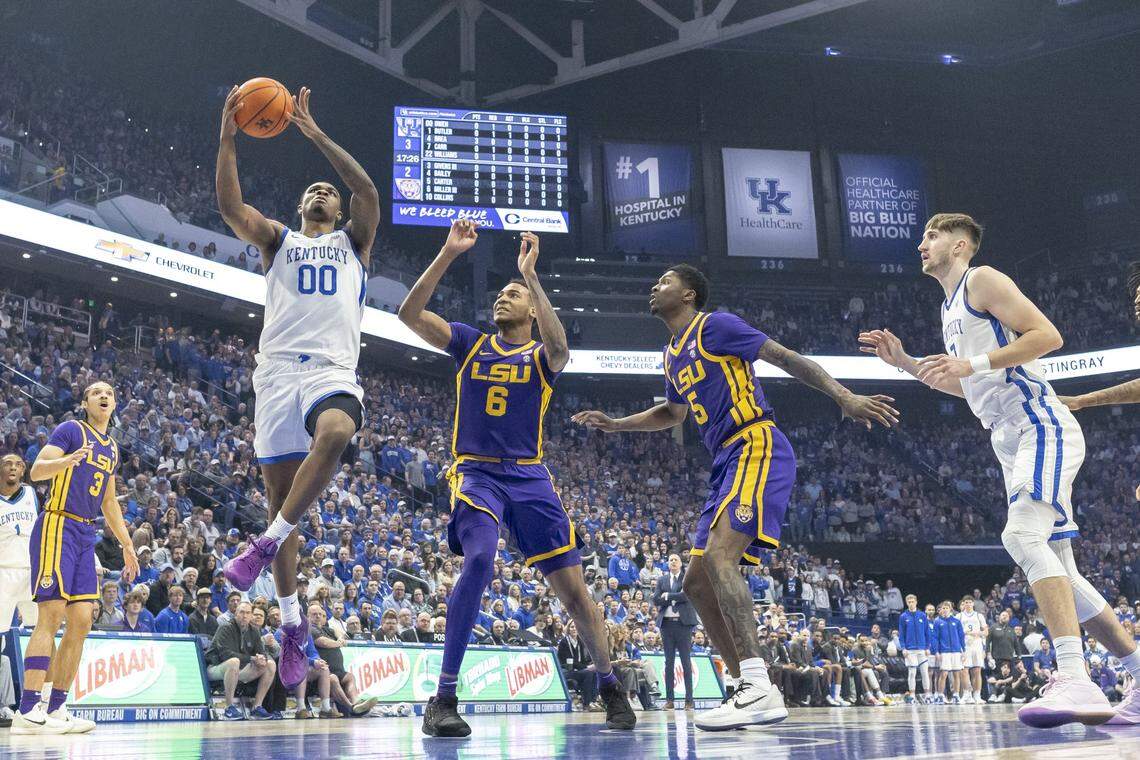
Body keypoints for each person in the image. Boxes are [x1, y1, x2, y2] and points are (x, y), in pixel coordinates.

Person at [573, 264, 897, 730]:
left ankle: (757, 684)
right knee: (696, 583)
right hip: (724, 460)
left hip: (755, 443)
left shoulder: (716, 326)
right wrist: (617, 423)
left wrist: (843, 397)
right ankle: (749, 683)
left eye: (664, 281)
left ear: (688, 295)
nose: (654, 286)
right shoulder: (670, 354)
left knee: (722, 560)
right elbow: (672, 412)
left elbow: (785, 358)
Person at [860, 213, 1140, 728]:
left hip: (1039, 423)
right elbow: (963, 386)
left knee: (1020, 537)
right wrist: (905, 363)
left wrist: (974, 364)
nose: (921, 243)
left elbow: (1048, 336)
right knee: (1063, 571)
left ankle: (1075, 675)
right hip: (1006, 437)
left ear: (960, 244)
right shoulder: (948, 307)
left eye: (931, 235)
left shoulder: (982, 279)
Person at [398, 221, 634, 736]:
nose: (503, 298)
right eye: (501, 293)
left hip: (530, 479)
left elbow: (561, 349)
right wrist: (447, 253)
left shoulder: (540, 357)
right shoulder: (470, 343)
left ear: (531, 309)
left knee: (574, 594)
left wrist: (530, 274)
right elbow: (408, 314)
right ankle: (443, 698)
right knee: (481, 557)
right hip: (477, 472)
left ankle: (610, 682)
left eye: (514, 294)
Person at [217, 85, 379, 696]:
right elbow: (230, 204)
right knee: (281, 497)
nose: (324, 193)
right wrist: (229, 137)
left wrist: (313, 132)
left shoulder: (354, 245)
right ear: (301, 204)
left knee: (338, 429)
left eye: (329, 194)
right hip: (276, 373)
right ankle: (289, 624)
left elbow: (366, 190)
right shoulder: (280, 241)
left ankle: (264, 544)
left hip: (331, 370)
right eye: (314, 189)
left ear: (338, 213)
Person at [15, 382, 137, 734]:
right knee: (51, 614)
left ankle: (56, 708)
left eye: (110, 393)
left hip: (87, 533)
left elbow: (110, 502)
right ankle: (28, 708)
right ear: (85, 402)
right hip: (57, 523)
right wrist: (66, 460)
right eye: (96, 392)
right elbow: (37, 470)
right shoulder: (71, 429)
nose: (103, 396)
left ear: (114, 404)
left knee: (83, 619)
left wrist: (127, 544)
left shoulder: (112, 448)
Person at [206, 601, 281, 720]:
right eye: (241, 612)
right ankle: (229, 707)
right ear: (235, 613)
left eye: (247, 613)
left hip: (238, 670)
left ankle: (257, 707)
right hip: (215, 667)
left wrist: (262, 659)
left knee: (270, 664)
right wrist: (252, 658)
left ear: (251, 615)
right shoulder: (226, 627)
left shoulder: (255, 630)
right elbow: (225, 654)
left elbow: (261, 652)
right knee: (234, 661)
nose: (244, 616)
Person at [0, 455, 39, 636]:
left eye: (18, 465)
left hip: (31, 571)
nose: (13, 468)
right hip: (3, 571)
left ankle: (38, 665)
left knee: (39, 628)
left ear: (23, 470)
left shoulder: (30, 493)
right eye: (8, 464)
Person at [654, 554, 696, 709]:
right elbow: (656, 599)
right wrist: (671, 597)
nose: (673, 562)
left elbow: (686, 596)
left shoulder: (687, 579)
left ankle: (689, 700)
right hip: (666, 625)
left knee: (686, 662)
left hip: (683, 625)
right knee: (668, 663)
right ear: (667, 563)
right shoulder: (662, 580)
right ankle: (669, 700)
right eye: (670, 560)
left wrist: (669, 595)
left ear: (680, 563)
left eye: (675, 560)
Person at [558, 619, 597, 711]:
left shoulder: (581, 641)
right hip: (566, 670)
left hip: (578, 670)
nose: (574, 629)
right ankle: (587, 703)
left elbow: (583, 659)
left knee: (594, 672)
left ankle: (593, 700)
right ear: (568, 629)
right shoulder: (564, 642)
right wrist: (586, 667)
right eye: (572, 627)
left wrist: (590, 665)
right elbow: (568, 661)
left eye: (576, 627)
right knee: (588, 672)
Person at [898, 594, 931, 704]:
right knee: (911, 673)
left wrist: (927, 647)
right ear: (907, 603)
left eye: (913, 601)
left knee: (925, 673)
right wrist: (903, 648)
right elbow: (901, 634)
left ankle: (927, 695)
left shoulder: (922, 615)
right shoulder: (903, 616)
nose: (911, 603)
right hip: (910, 650)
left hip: (922, 649)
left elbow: (927, 633)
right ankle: (912, 695)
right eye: (909, 601)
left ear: (916, 602)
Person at [932, 601, 966, 704]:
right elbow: (935, 638)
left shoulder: (956, 621)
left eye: (947, 608)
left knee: (957, 674)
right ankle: (940, 695)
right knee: (944, 674)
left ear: (950, 609)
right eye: (943, 608)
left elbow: (961, 636)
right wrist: (937, 652)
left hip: (956, 651)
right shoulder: (937, 622)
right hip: (944, 652)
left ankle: (956, 695)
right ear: (941, 610)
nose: (945, 609)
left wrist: (963, 650)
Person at [956, 596, 989, 704]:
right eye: (966, 602)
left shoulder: (979, 616)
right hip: (964, 646)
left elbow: (986, 632)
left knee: (977, 671)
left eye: (970, 602)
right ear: (963, 604)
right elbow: (955, 632)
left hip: (977, 645)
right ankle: (966, 694)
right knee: (964, 671)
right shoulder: (959, 616)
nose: (968, 604)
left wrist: (977, 633)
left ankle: (977, 695)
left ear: (973, 604)